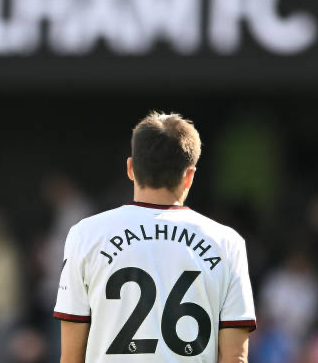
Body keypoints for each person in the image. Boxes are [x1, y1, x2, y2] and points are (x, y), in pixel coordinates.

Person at [54, 112, 256, 363]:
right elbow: (235, 357)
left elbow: (71, 356)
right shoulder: (227, 243)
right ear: (189, 176)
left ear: (130, 168)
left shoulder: (84, 235)